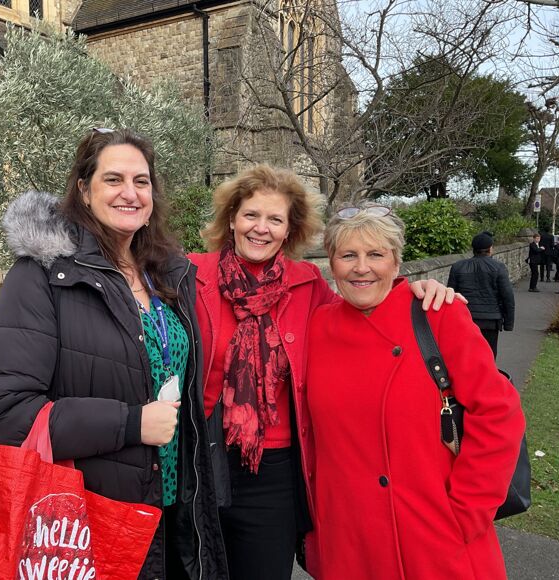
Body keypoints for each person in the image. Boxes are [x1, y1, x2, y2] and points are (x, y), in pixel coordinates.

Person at [0, 128, 227, 579]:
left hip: (174, 509)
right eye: (113, 179)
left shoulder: (166, 274)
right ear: (84, 191)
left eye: (141, 181)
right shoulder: (42, 276)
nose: (130, 193)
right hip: (89, 518)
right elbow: (4, 410)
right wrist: (130, 422)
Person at [188, 165, 460, 580]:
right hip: (200, 460)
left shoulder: (308, 284)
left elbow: (362, 316)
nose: (261, 228)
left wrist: (411, 291)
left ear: (289, 230)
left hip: (274, 471)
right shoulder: (190, 276)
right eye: (251, 215)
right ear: (231, 220)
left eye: (275, 219)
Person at [305, 204, 525, 579]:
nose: (361, 267)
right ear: (331, 262)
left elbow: (498, 414)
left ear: (396, 262)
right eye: (348, 255)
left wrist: (464, 514)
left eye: (376, 254)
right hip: (348, 539)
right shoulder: (316, 326)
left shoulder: (436, 313)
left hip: (430, 536)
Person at [447, 231, 515, 359]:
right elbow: (507, 296)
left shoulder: (457, 267)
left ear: (473, 249)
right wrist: (508, 323)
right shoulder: (498, 267)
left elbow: (451, 294)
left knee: (466, 355)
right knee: (488, 355)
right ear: (490, 249)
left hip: (466, 319)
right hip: (490, 320)